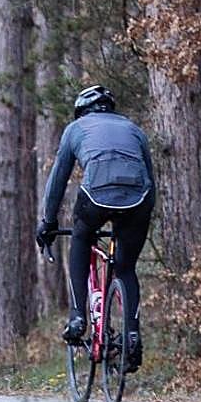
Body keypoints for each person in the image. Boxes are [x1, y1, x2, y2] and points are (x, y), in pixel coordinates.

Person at [36, 85, 155, 371]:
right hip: (139, 199)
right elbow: (149, 177)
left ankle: (78, 317)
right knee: (125, 268)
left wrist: (48, 223)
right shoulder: (134, 129)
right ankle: (132, 333)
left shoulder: (76, 129)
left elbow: (58, 180)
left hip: (96, 196)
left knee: (80, 239)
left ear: (81, 111)